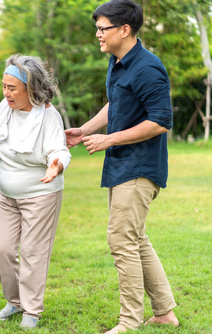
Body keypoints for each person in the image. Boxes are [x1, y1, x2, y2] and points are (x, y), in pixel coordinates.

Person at [65, 1, 179, 333]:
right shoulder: (118, 64)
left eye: (103, 28)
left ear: (124, 30)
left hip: (140, 166)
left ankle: (129, 322)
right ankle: (164, 313)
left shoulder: (147, 67)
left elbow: (161, 121)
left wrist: (110, 139)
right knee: (135, 238)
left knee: (122, 240)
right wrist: (85, 130)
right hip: (122, 166)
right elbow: (116, 103)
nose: (97, 34)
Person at [0, 54, 71, 330]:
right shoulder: (5, 109)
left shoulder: (48, 116)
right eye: (4, 86)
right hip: (6, 194)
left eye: (12, 88)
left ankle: (32, 310)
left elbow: (59, 149)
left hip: (40, 194)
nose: (6, 93)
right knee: (1, 249)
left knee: (32, 252)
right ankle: (15, 301)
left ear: (30, 88)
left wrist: (57, 165)